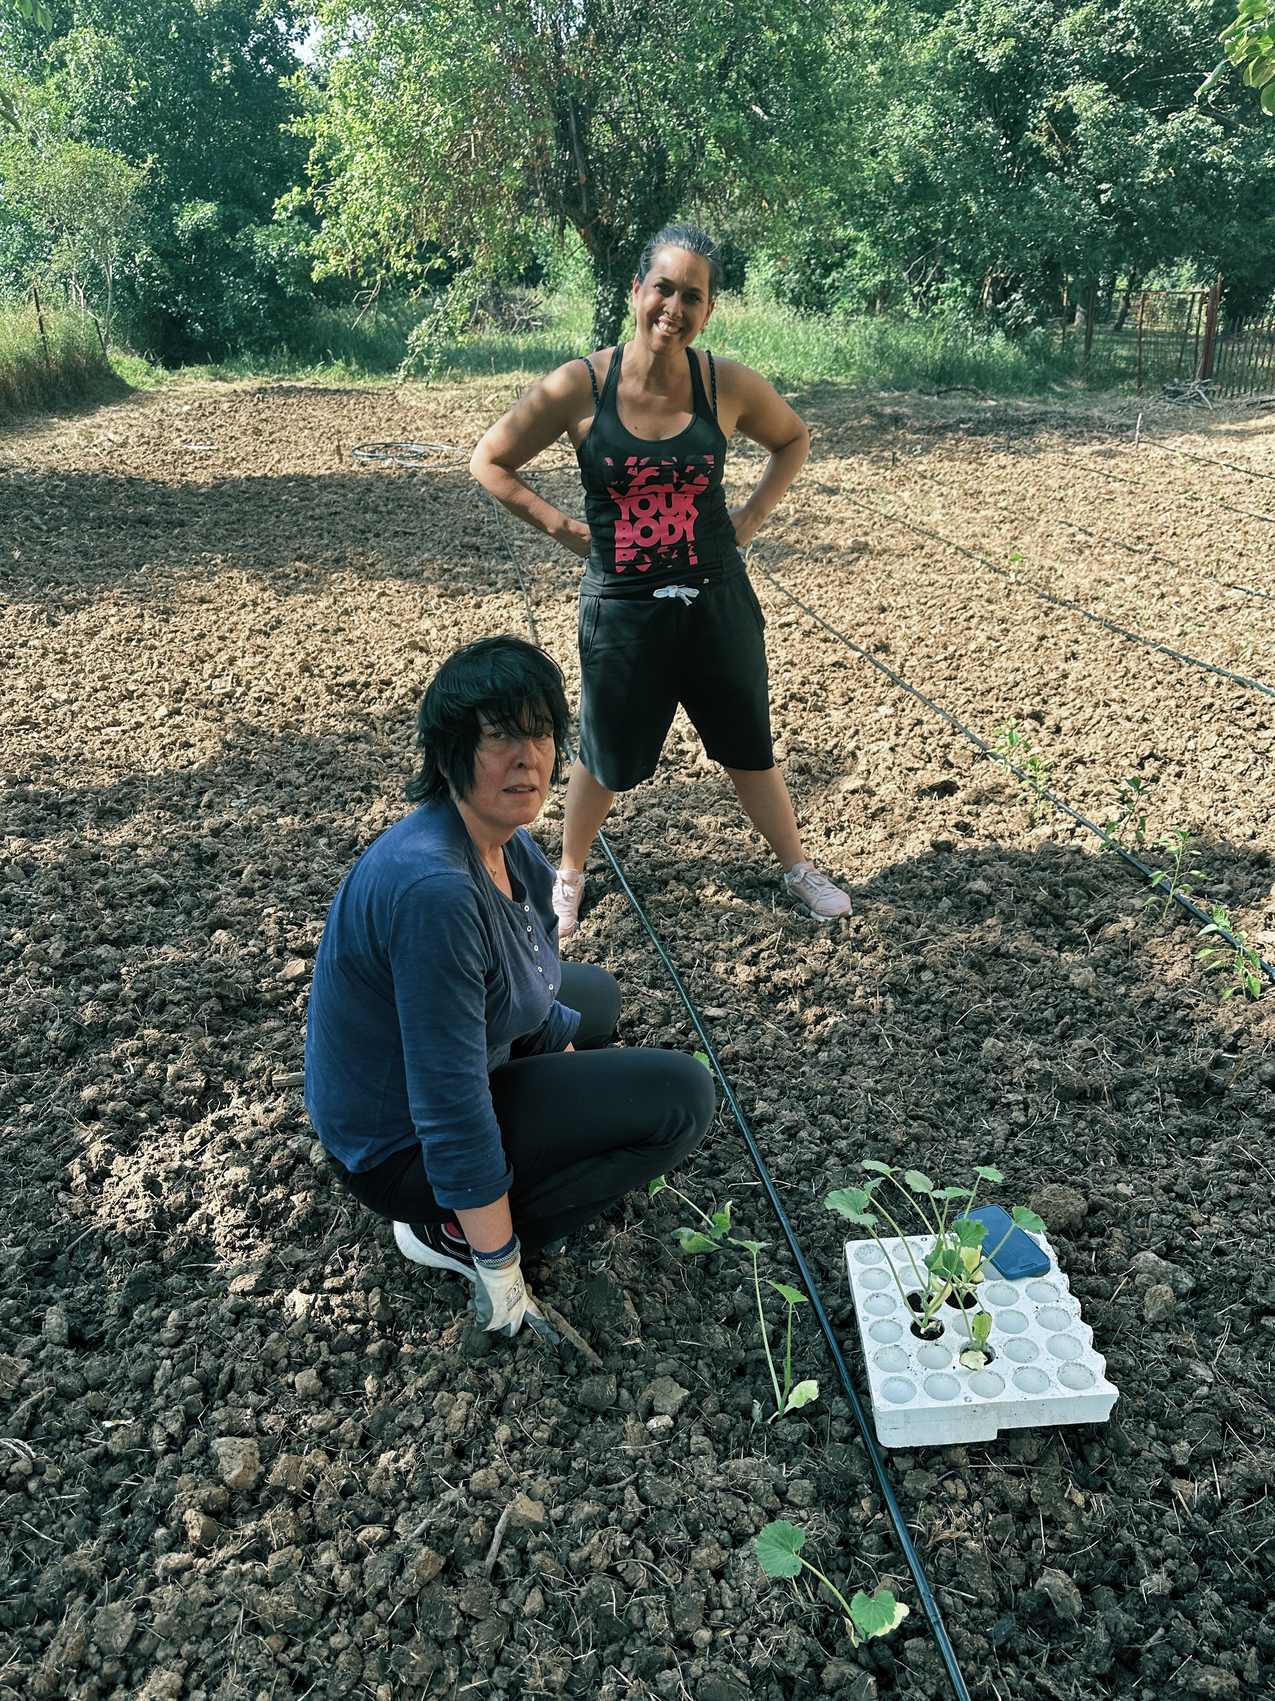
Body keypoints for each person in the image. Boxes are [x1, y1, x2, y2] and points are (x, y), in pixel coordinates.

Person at [305, 635, 715, 1337]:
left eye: (541, 733)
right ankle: (450, 1231)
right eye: (500, 737)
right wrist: (499, 1267)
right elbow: (450, 1103)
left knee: (596, 999)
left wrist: (570, 1080)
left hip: (423, 1076)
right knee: (681, 1098)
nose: (528, 757)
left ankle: (491, 1190)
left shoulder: (503, 839)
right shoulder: (435, 892)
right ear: (447, 753)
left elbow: (530, 975)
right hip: (397, 1144)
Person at [470, 222, 853, 940]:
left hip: (716, 599)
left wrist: (750, 518)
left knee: (748, 745)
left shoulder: (724, 384)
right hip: (621, 607)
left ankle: (797, 866)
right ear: (637, 291)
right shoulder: (580, 386)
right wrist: (560, 526)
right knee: (604, 754)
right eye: (663, 289)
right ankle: (569, 874)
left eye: (692, 296)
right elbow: (490, 460)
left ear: (709, 309)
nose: (674, 308)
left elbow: (792, 437)